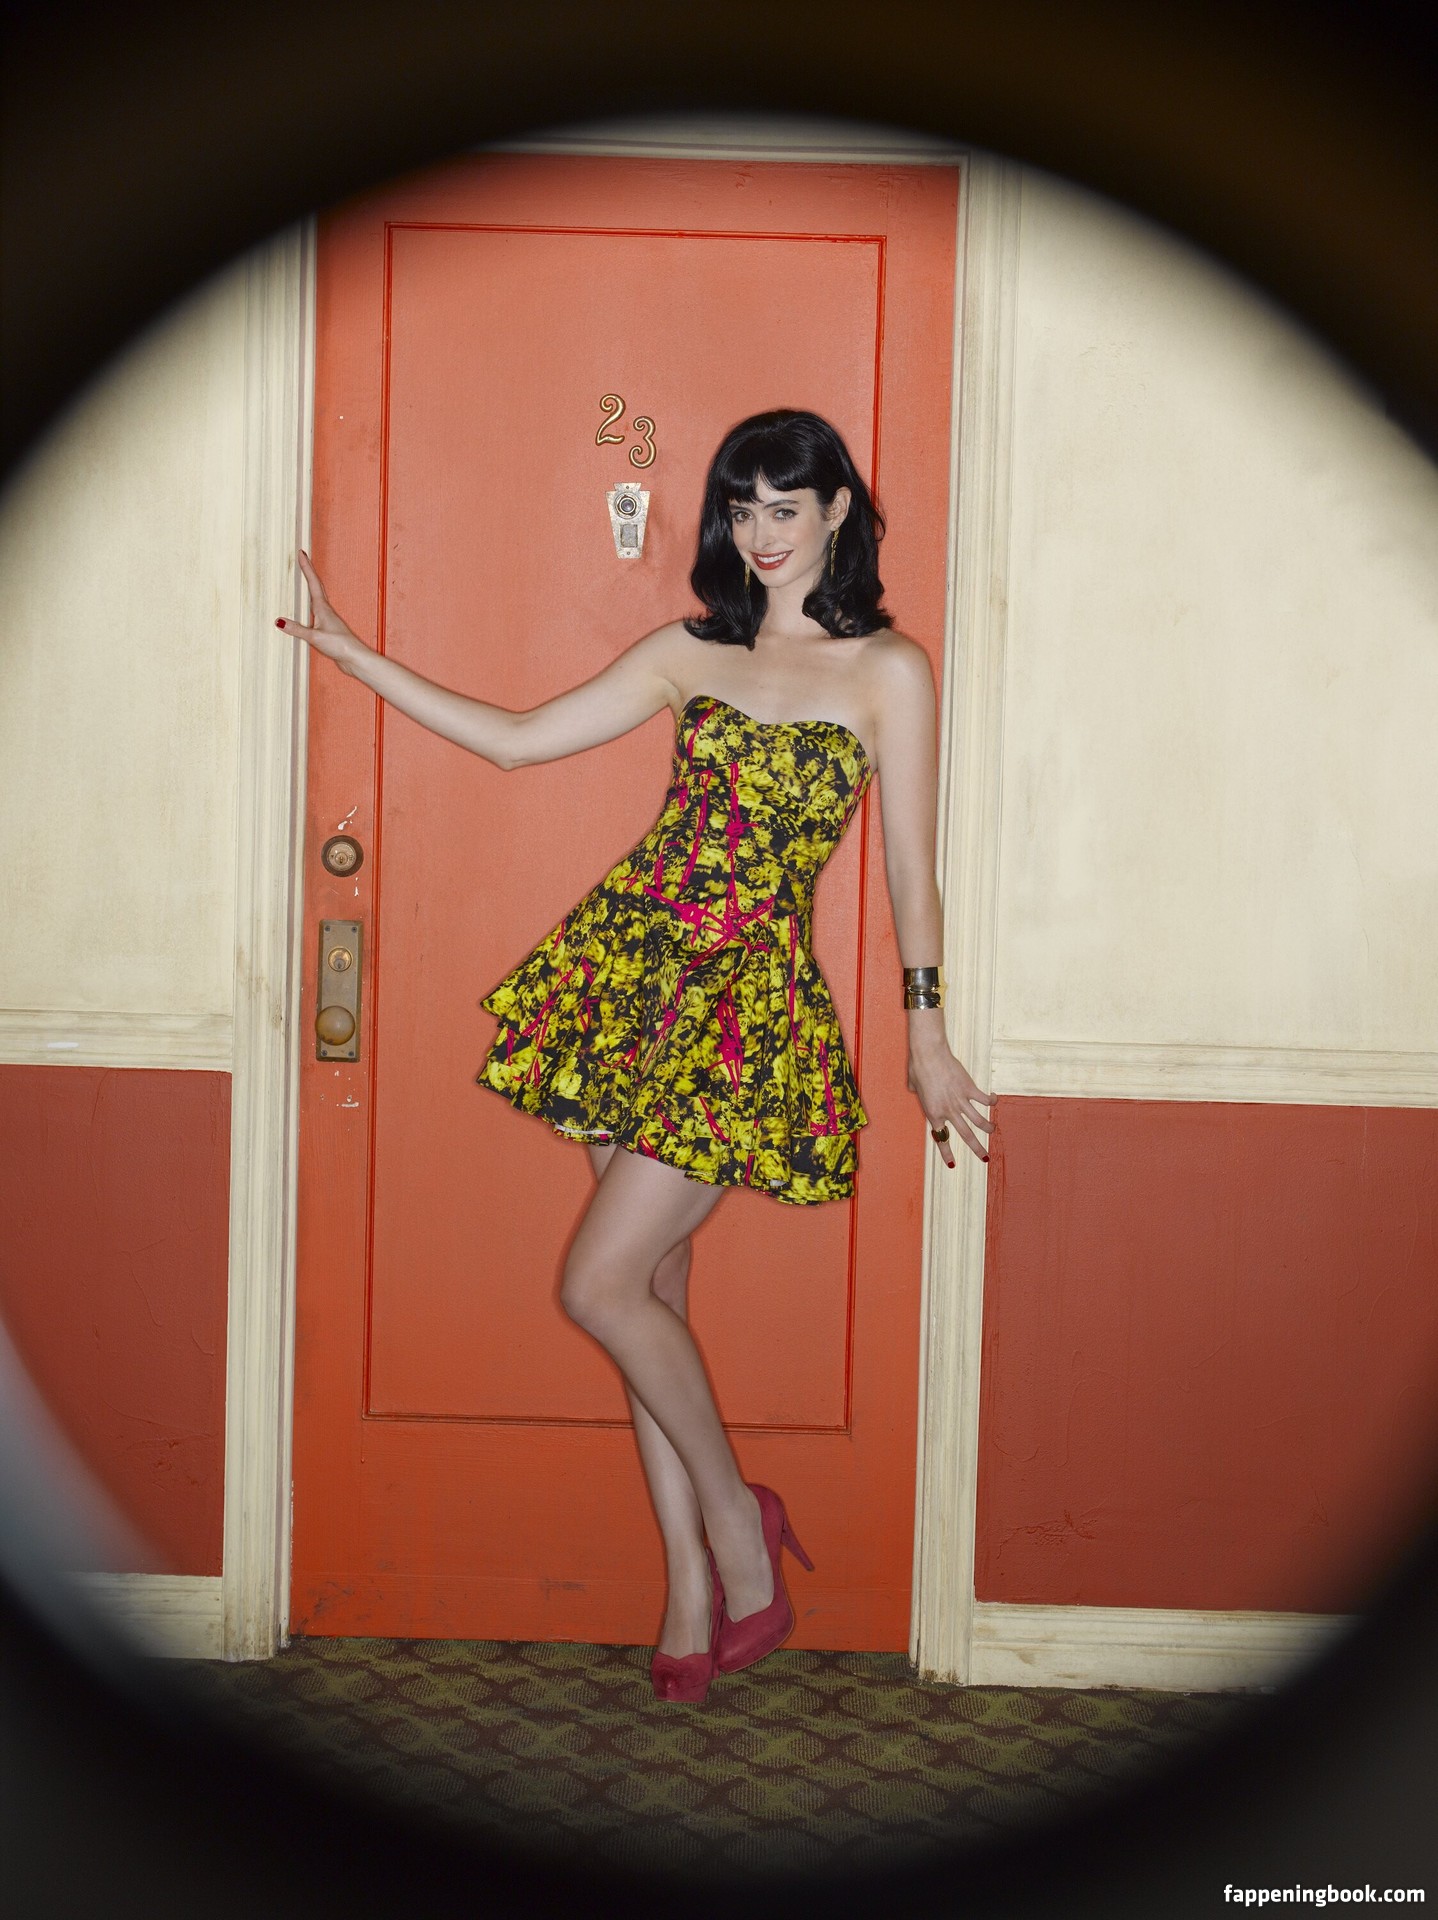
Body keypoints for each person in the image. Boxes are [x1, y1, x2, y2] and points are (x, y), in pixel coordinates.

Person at [278, 407, 992, 1705]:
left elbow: (910, 874)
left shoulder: (889, 671)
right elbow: (513, 739)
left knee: (598, 1285)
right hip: (625, 983)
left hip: (742, 1015)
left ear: (838, 510)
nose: (761, 534)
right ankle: (691, 1587)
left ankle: (738, 1522)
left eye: (786, 507)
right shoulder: (688, 651)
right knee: (649, 1291)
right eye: (742, 508)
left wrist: (927, 1036)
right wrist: (351, 654)